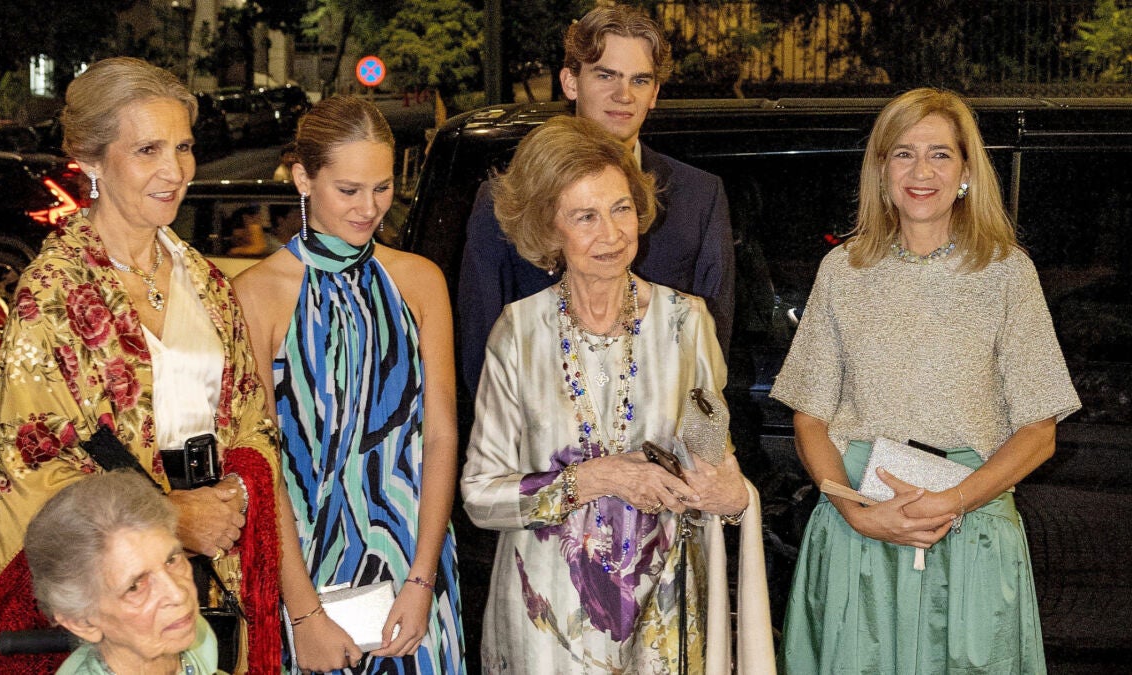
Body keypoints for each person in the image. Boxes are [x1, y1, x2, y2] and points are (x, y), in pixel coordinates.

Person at [770, 88, 1082, 674]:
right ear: (881, 169)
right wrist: (855, 510)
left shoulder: (1007, 272)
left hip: (970, 532)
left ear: (966, 172)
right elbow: (809, 417)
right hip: (858, 530)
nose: (921, 172)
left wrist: (952, 502)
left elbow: (1040, 432)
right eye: (904, 153)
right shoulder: (843, 270)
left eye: (940, 154)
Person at [0, 57, 280, 674]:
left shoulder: (206, 281)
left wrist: (231, 498)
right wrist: (171, 519)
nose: (175, 171)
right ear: (90, 161)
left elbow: (254, 418)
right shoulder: (51, 295)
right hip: (119, 602)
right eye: (148, 150)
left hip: (217, 566)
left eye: (183, 147)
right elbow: (28, 465)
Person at [461, 115, 772, 673]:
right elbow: (481, 496)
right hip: (547, 630)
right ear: (549, 229)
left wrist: (730, 494)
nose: (611, 233)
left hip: (664, 620)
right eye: (585, 216)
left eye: (621, 208)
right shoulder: (518, 332)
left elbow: (715, 465)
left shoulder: (686, 322)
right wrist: (597, 478)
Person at [234, 96, 464, 673]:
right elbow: (263, 463)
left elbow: (440, 436)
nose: (369, 208)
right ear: (302, 179)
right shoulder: (255, 294)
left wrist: (423, 580)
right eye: (349, 190)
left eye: (382, 188)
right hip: (306, 573)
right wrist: (303, 613)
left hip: (415, 567)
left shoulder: (420, 280)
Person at [457, 3, 734, 397]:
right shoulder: (507, 196)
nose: (623, 95)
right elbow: (481, 355)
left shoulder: (699, 196)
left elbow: (711, 349)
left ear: (654, 93)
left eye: (640, 80)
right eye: (606, 75)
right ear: (571, 82)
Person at [25, 470, 223, 674]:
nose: (178, 594)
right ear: (82, 623)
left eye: (171, 560)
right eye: (135, 586)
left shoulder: (194, 638)